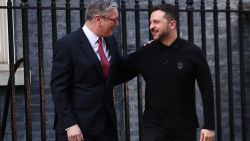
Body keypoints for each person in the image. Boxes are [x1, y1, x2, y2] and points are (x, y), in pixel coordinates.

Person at [118, 3, 215, 141]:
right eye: (151, 22)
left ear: (172, 24)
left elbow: (206, 88)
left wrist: (209, 125)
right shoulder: (146, 52)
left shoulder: (192, 52)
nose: (151, 26)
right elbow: (118, 73)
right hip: (153, 127)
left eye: (156, 22)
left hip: (184, 128)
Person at [50, 0, 121, 141]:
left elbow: (120, 70)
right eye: (114, 19)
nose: (117, 23)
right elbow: (58, 88)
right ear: (98, 19)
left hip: (106, 125)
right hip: (79, 128)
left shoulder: (110, 41)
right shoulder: (68, 44)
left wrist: (146, 51)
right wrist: (70, 124)